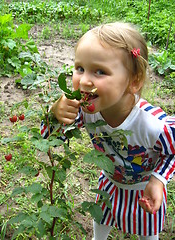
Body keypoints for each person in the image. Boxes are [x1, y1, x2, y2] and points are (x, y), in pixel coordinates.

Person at [41, 22, 175, 240]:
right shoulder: (86, 111)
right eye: (80, 68)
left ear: (134, 80)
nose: (84, 81)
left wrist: (158, 180)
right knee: (101, 219)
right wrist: (55, 115)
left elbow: (173, 150)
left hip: (145, 189)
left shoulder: (152, 124)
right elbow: (49, 139)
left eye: (100, 71)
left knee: (148, 231)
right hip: (110, 184)